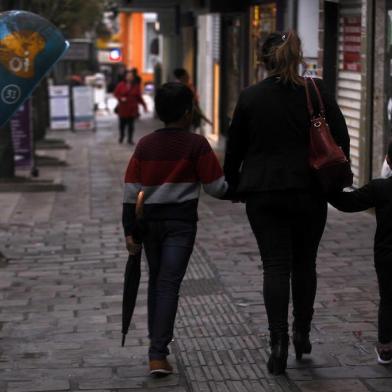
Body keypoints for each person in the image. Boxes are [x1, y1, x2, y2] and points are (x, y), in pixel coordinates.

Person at [223, 31, 350, 375]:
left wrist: (233, 185)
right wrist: (339, 181)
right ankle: (302, 334)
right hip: (309, 191)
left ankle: (277, 343)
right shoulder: (316, 90)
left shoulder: (251, 97)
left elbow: (234, 149)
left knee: (275, 266)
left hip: (264, 194)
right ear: (296, 57)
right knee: (304, 264)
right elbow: (341, 136)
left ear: (263, 61)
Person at [122, 82, 228, 375]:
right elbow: (217, 188)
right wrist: (243, 187)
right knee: (168, 283)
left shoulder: (144, 145)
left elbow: (131, 192)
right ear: (187, 112)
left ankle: (157, 350)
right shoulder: (196, 145)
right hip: (180, 225)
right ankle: (157, 354)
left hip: (149, 224)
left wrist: (128, 230)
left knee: (157, 281)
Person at [329, 140, 392, 365]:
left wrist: (327, 184)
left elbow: (348, 203)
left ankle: (385, 347)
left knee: (388, 299)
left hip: (387, 257)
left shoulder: (381, 188)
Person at [114, 70, 147, 145]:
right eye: (128, 76)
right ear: (125, 77)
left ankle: (130, 139)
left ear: (133, 78)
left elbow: (139, 97)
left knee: (131, 125)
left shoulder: (136, 86)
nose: (129, 77)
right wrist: (120, 98)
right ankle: (122, 136)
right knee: (122, 124)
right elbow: (116, 94)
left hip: (132, 108)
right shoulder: (121, 85)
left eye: (131, 76)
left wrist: (144, 105)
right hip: (123, 108)